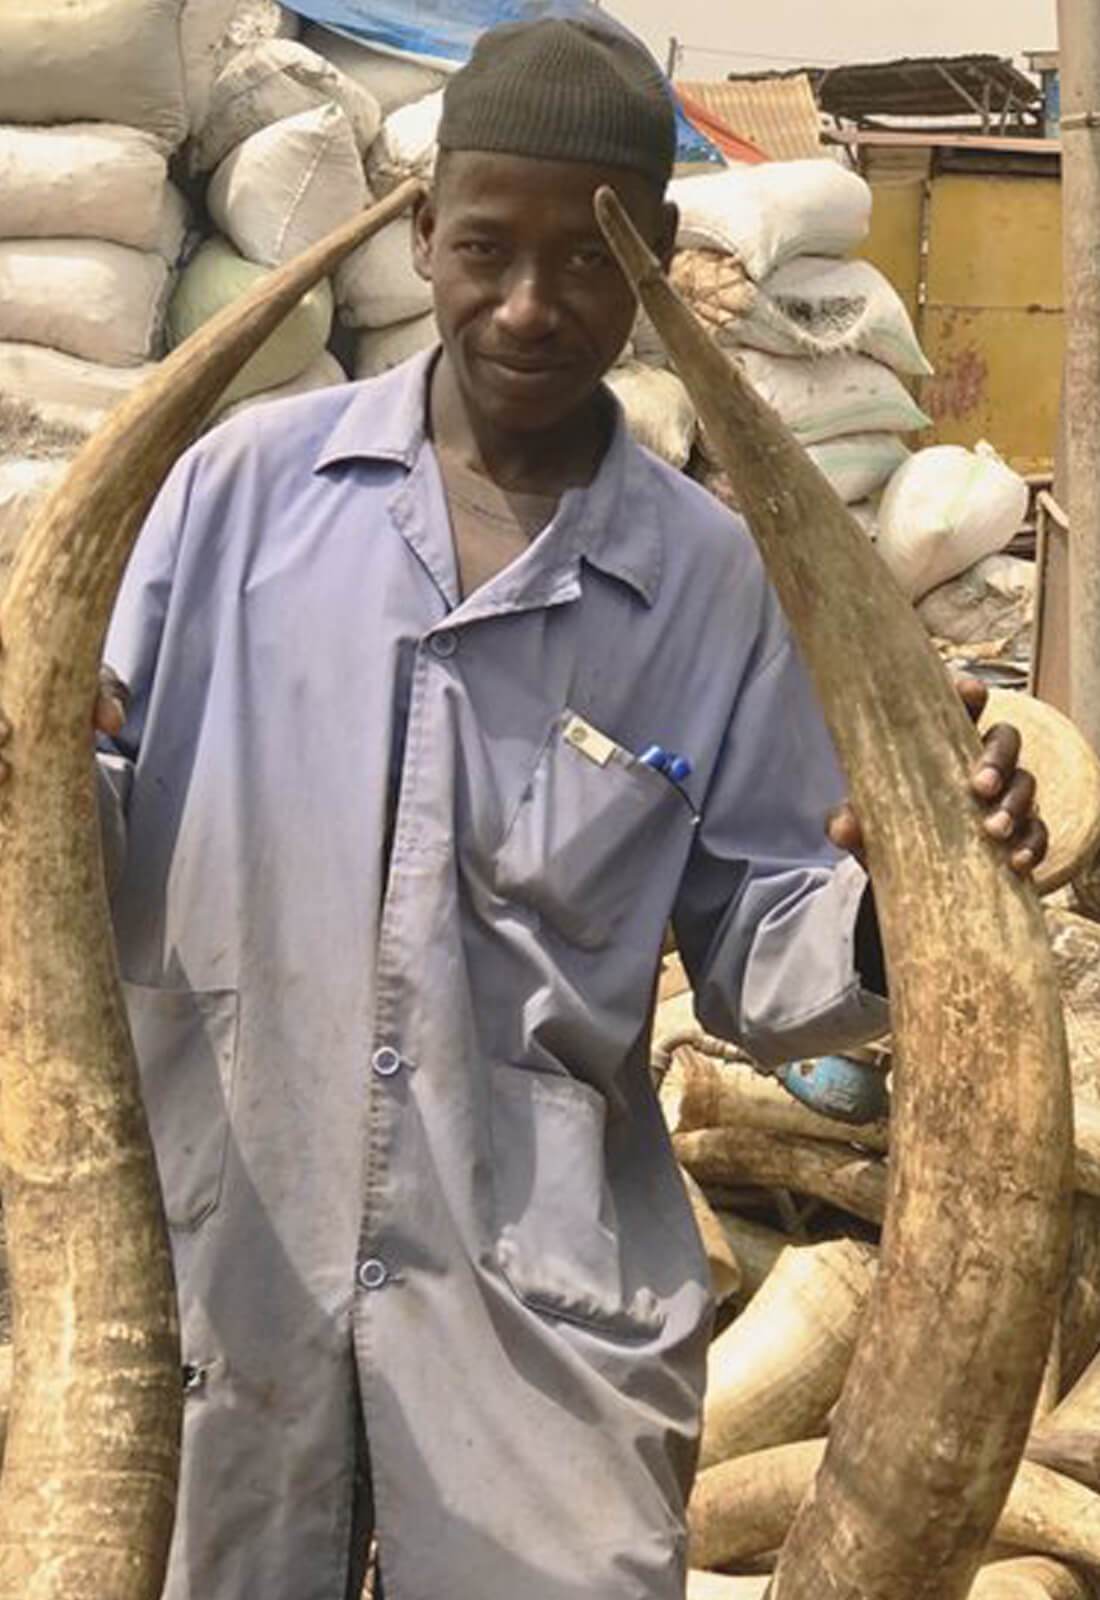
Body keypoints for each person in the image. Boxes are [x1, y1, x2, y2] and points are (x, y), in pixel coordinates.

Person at [0, 18, 1045, 1600]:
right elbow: (86, 830)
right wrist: (31, 768)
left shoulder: (718, 581)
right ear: (421, 234)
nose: (531, 305)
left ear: (661, 257)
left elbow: (766, 950)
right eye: (485, 247)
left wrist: (907, 900)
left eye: (588, 256)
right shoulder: (231, 496)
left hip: (534, 1328)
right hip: (221, 1283)